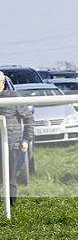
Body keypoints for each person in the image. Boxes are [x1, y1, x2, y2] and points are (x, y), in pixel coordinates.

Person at [0, 72, 34, 206]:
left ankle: (11, 205)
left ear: (3, 83)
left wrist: (26, 139)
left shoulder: (13, 97)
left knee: (10, 177)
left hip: (10, 144)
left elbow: (29, 118)